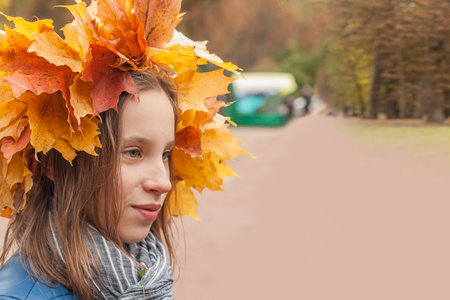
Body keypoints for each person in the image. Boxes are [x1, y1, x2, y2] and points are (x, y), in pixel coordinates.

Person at [0, 0, 244, 299]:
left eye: (165, 154)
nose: (163, 182)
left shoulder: (146, 279)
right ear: (54, 161)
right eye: (133, 152)